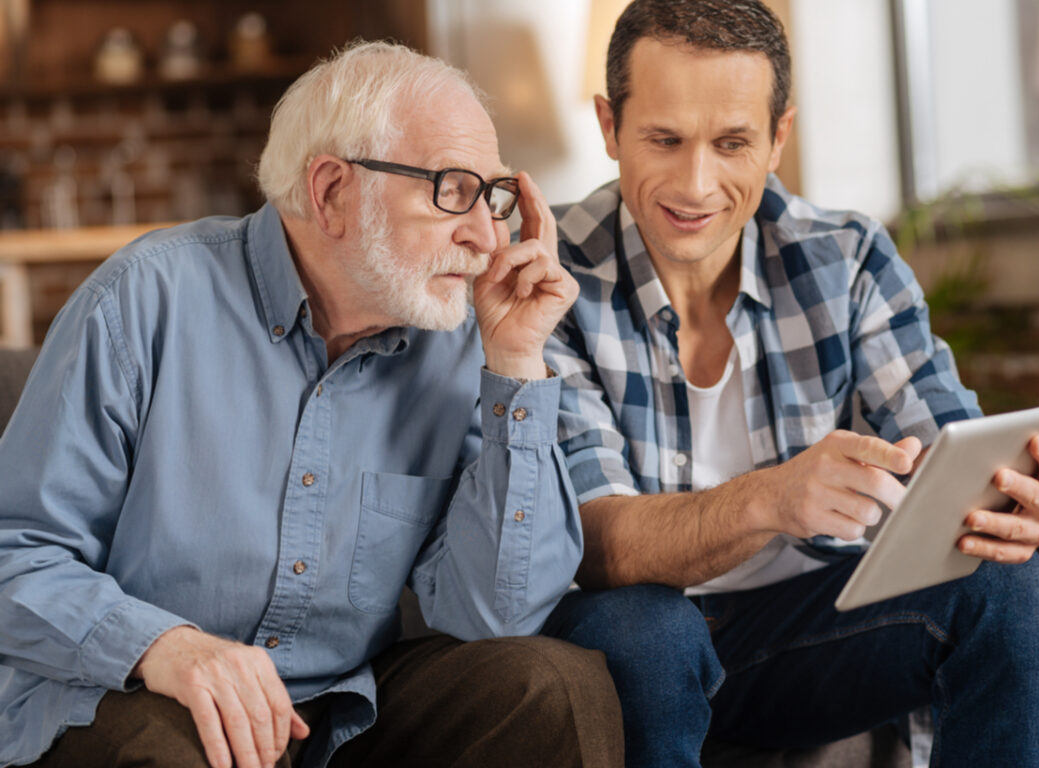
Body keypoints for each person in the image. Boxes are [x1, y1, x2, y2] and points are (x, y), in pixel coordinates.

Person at [0, 41, 624, 768]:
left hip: (341, 711)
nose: (487, 236)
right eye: (452, 189)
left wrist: (516, 365)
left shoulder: (460, 342)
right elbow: (15, 554)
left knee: (555, 686)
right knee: (168, 750)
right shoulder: (143, 301)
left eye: (493, 197)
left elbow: (497, 615)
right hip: (143, 699)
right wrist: (164, 647)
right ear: (331, 191)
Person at [540, 0, 1039, 768]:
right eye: (664, 139)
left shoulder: (845, 255)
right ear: (609, 126)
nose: (695, 185)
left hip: (802, 632)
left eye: (731, 143)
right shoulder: (549, 272)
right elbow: (595, 541)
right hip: (630, 635)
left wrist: (1002, 498)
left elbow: (943, 444)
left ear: (777, 137)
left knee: (1016, 593)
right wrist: (770, 497)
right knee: (649, 631)